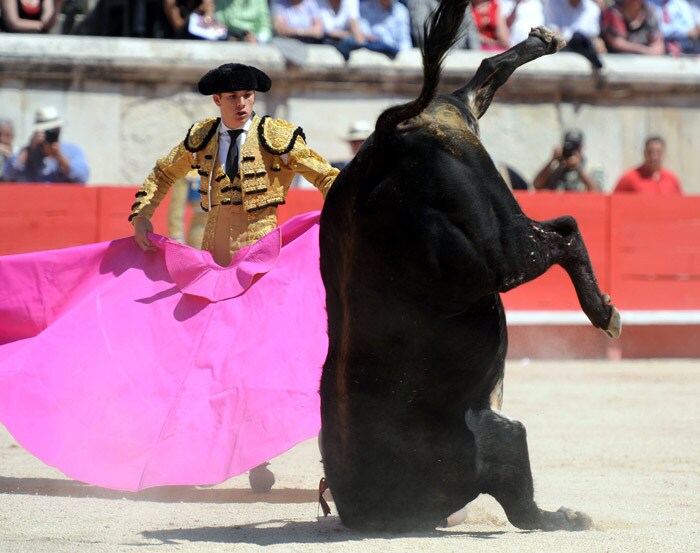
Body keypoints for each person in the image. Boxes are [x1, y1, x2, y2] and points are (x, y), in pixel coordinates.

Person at [130, 64, 338, 491]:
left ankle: (275, 452)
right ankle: (202, 452)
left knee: (263, 355)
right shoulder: (202, 136)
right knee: (211, 357)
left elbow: (326, 176)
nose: (242, 103)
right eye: (233, 97)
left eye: (247, 95)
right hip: (213, 256)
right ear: (217, 101)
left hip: (264, 254)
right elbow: (163, 172)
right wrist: (142, 215)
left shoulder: (275, 136)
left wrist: (346, 214)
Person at [6, 106, 89, 184]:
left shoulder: (72, 151)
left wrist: (59, 156)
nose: (51, 133)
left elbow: (82, 178)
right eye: (48, 130)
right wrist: (29, 149)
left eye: (55, 129)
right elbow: (8, 175)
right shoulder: (26, 153)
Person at [532, 128, 601, 192]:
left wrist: (578, 168)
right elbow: (537, 185)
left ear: (581, 147)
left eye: (575, 146)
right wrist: (552, 160)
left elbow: (597, 192)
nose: (572, 150)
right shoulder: (557, 168)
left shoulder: (593, 168)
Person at [544, 0, 606, 69]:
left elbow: (593, 38)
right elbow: (552, 32)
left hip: (583, 50)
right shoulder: (552, 3)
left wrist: (597, 44)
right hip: (560, 50)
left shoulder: (592, 8)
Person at [613, 135, 683, 194]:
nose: (654, 157)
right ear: (644, 153)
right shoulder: (630, 178)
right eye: (650, 152)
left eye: (658, 153)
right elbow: (615, 203)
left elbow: (680, 205)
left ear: (664, 154)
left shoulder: (672, 179)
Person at [407, 0, 481, 49]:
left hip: (463, 56)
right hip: (433, 59)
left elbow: (471, 32)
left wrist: (476, 57)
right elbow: (422, 34)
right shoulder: (419, 2)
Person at [601, 0, 665, 54]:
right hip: (618, 59)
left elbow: (658, 42)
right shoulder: (614, 12)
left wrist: (655, 49)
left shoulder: (649, 11)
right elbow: (616, 42)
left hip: (646, 61)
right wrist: (644, 50)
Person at [162, 0, 228, 40]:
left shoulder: (204, 2)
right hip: (172, 39)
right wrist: (197, 11)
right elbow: (178, 27)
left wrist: (207, 15)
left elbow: (209, 18)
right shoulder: (172, 3)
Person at [0, 0, 64, 32]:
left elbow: (47, 23)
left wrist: (57, 4)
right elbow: (13, 23)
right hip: (12, 39)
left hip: (37, 40)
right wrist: (41, 25)